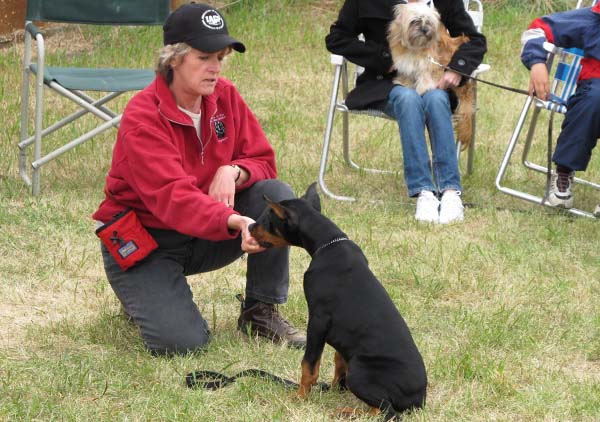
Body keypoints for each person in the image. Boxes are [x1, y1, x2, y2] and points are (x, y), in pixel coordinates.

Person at [92, 2, 305, 356]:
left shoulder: (226, 96)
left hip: (205, 231)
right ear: (173, 59)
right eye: (205, 57)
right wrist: (235, 220)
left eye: (221, 57)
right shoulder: (143, 116)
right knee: (183, 344)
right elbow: (174, 198)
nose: (216, 68)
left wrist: (234, 171)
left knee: (277, 197)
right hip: (146, 238)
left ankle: (260, 312)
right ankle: (139, 293)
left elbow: (264, 161)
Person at [325, 0, 486, 223]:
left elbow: (476, 41)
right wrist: (383, 58)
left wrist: (458, 68)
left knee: (437, 98)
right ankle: (424, 193)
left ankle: (450, 192)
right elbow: (336, 39)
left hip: (432, 79)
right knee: (408, 98)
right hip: (384, 84)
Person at [521, 3, 600, 209]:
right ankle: (564, 172)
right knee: (594, 98)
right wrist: (537, 63)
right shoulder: (591, 20)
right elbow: (536, 29)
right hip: (593, 96)